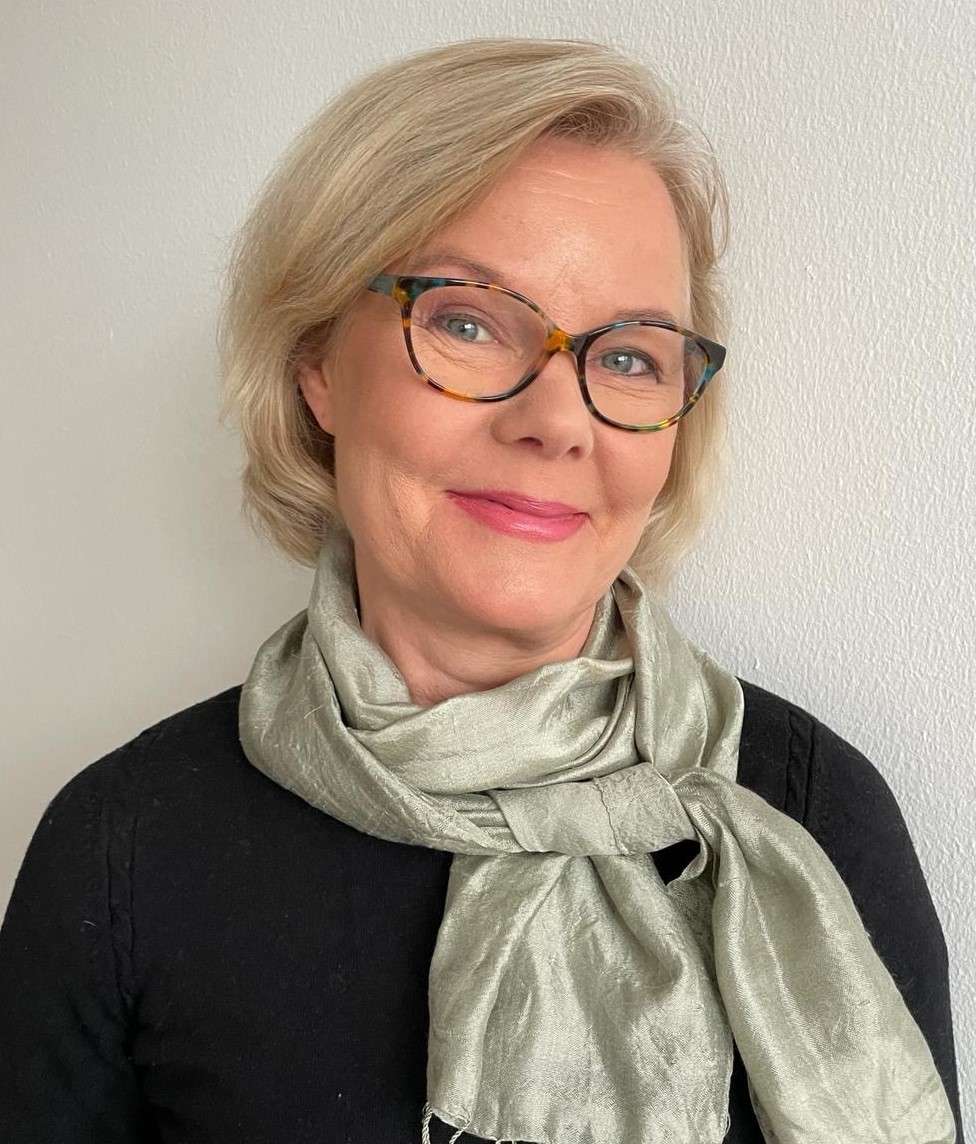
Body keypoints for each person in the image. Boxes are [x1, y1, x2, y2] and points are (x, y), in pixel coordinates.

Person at [0, 37, 963, 1144]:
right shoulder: (123, 852)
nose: (556, 420)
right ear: (317, 364)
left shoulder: (808, 814)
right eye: (465, 321)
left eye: (629, 356)